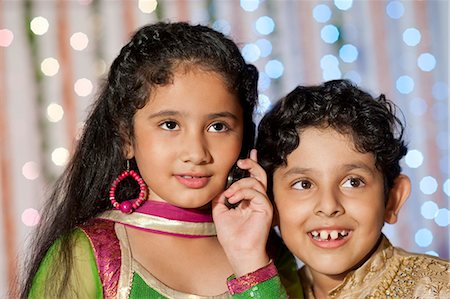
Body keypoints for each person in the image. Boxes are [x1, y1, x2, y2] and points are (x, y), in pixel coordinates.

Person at [20, 22, 303, 298]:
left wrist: (251, 265)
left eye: (218, 126)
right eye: (170, 125)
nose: (196, 153)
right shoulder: (87, 254)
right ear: (127, 138)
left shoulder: (268, 251)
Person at [256, 79, 450, 298]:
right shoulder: (266, 292)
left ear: (393, 199)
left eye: (353, 182)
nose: (329, 206)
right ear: (269, 201)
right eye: (304, 184)